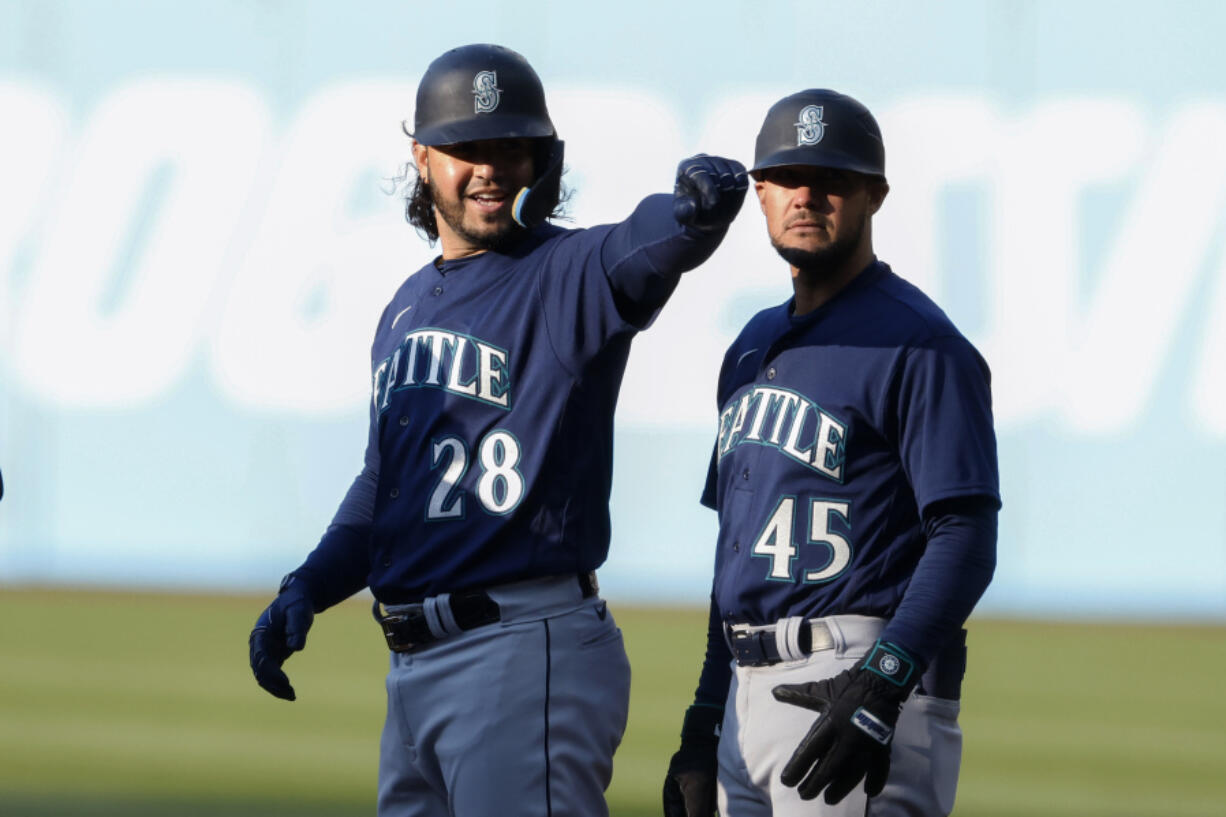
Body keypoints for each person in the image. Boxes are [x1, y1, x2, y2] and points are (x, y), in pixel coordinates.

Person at [247, 43, 747, 817]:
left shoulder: (568, 272)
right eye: (467, 148)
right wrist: (309, 585)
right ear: (421, 157)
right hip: (414, 668)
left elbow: (645, 244)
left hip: (520, 649)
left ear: (541, 160)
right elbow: (386, 485)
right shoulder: (407, 306)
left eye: (512, 147)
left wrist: (693, 213)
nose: (491, 167)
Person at [661, 89, 1000, 817]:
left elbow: (966, 536)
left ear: (874, 194)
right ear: (759, 192)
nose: (807, 194)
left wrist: (883, 682)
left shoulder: (922, 344)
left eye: (832, 179)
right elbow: (737, 557)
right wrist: (704, 712)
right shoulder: (749, 345)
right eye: (787, 177)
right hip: (747, 694)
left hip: (856, 674)